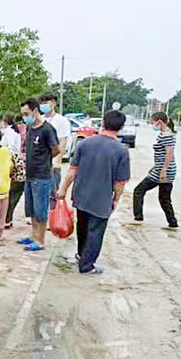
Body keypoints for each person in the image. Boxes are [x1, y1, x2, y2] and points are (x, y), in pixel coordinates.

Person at [58, 110, 131, 274]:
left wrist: (62, 189)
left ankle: (81, 255)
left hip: (81, 195)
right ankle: (87, 265)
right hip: (102, 198)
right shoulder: (121, 150)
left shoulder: (85, 144)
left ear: (103, 123)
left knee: (82, 226)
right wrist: (116, 198)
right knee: (95, 232)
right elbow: (120, 182)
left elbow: (72, 171)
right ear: (121, 127)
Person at [18, 98, 60, 251]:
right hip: (29, 175)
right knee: (32, 209)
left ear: (35, 111)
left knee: (41, 209)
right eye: (23, 114)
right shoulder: (30, 128)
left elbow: (56, 149)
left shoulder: (47, 129)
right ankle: (34, 235)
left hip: (41, 176)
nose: (25, 117)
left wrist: (44, 160)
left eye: (27, 113)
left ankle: (40, 240)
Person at [132, 112, 178, 229]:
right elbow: (161, 154)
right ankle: (172, 223)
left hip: (164, 171)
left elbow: (169, 153)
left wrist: (163, 170)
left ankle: (138, 218)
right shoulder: (164, 134)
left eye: (153, 122)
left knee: (139, 190)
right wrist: (155, 167)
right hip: (162, 169)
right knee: (164, 198)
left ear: (160, 121)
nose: (152, 125)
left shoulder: (167, 135)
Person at [39, 92, 71, 206]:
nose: (43, 105)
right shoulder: (39, 119)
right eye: (41, 103)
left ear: (53, 104)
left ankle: (52, 219)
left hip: (52, 165)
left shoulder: (61, 121)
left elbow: (62, 143)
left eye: (45, 102)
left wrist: (57, 162)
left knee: (52, 195)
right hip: (39, 164)